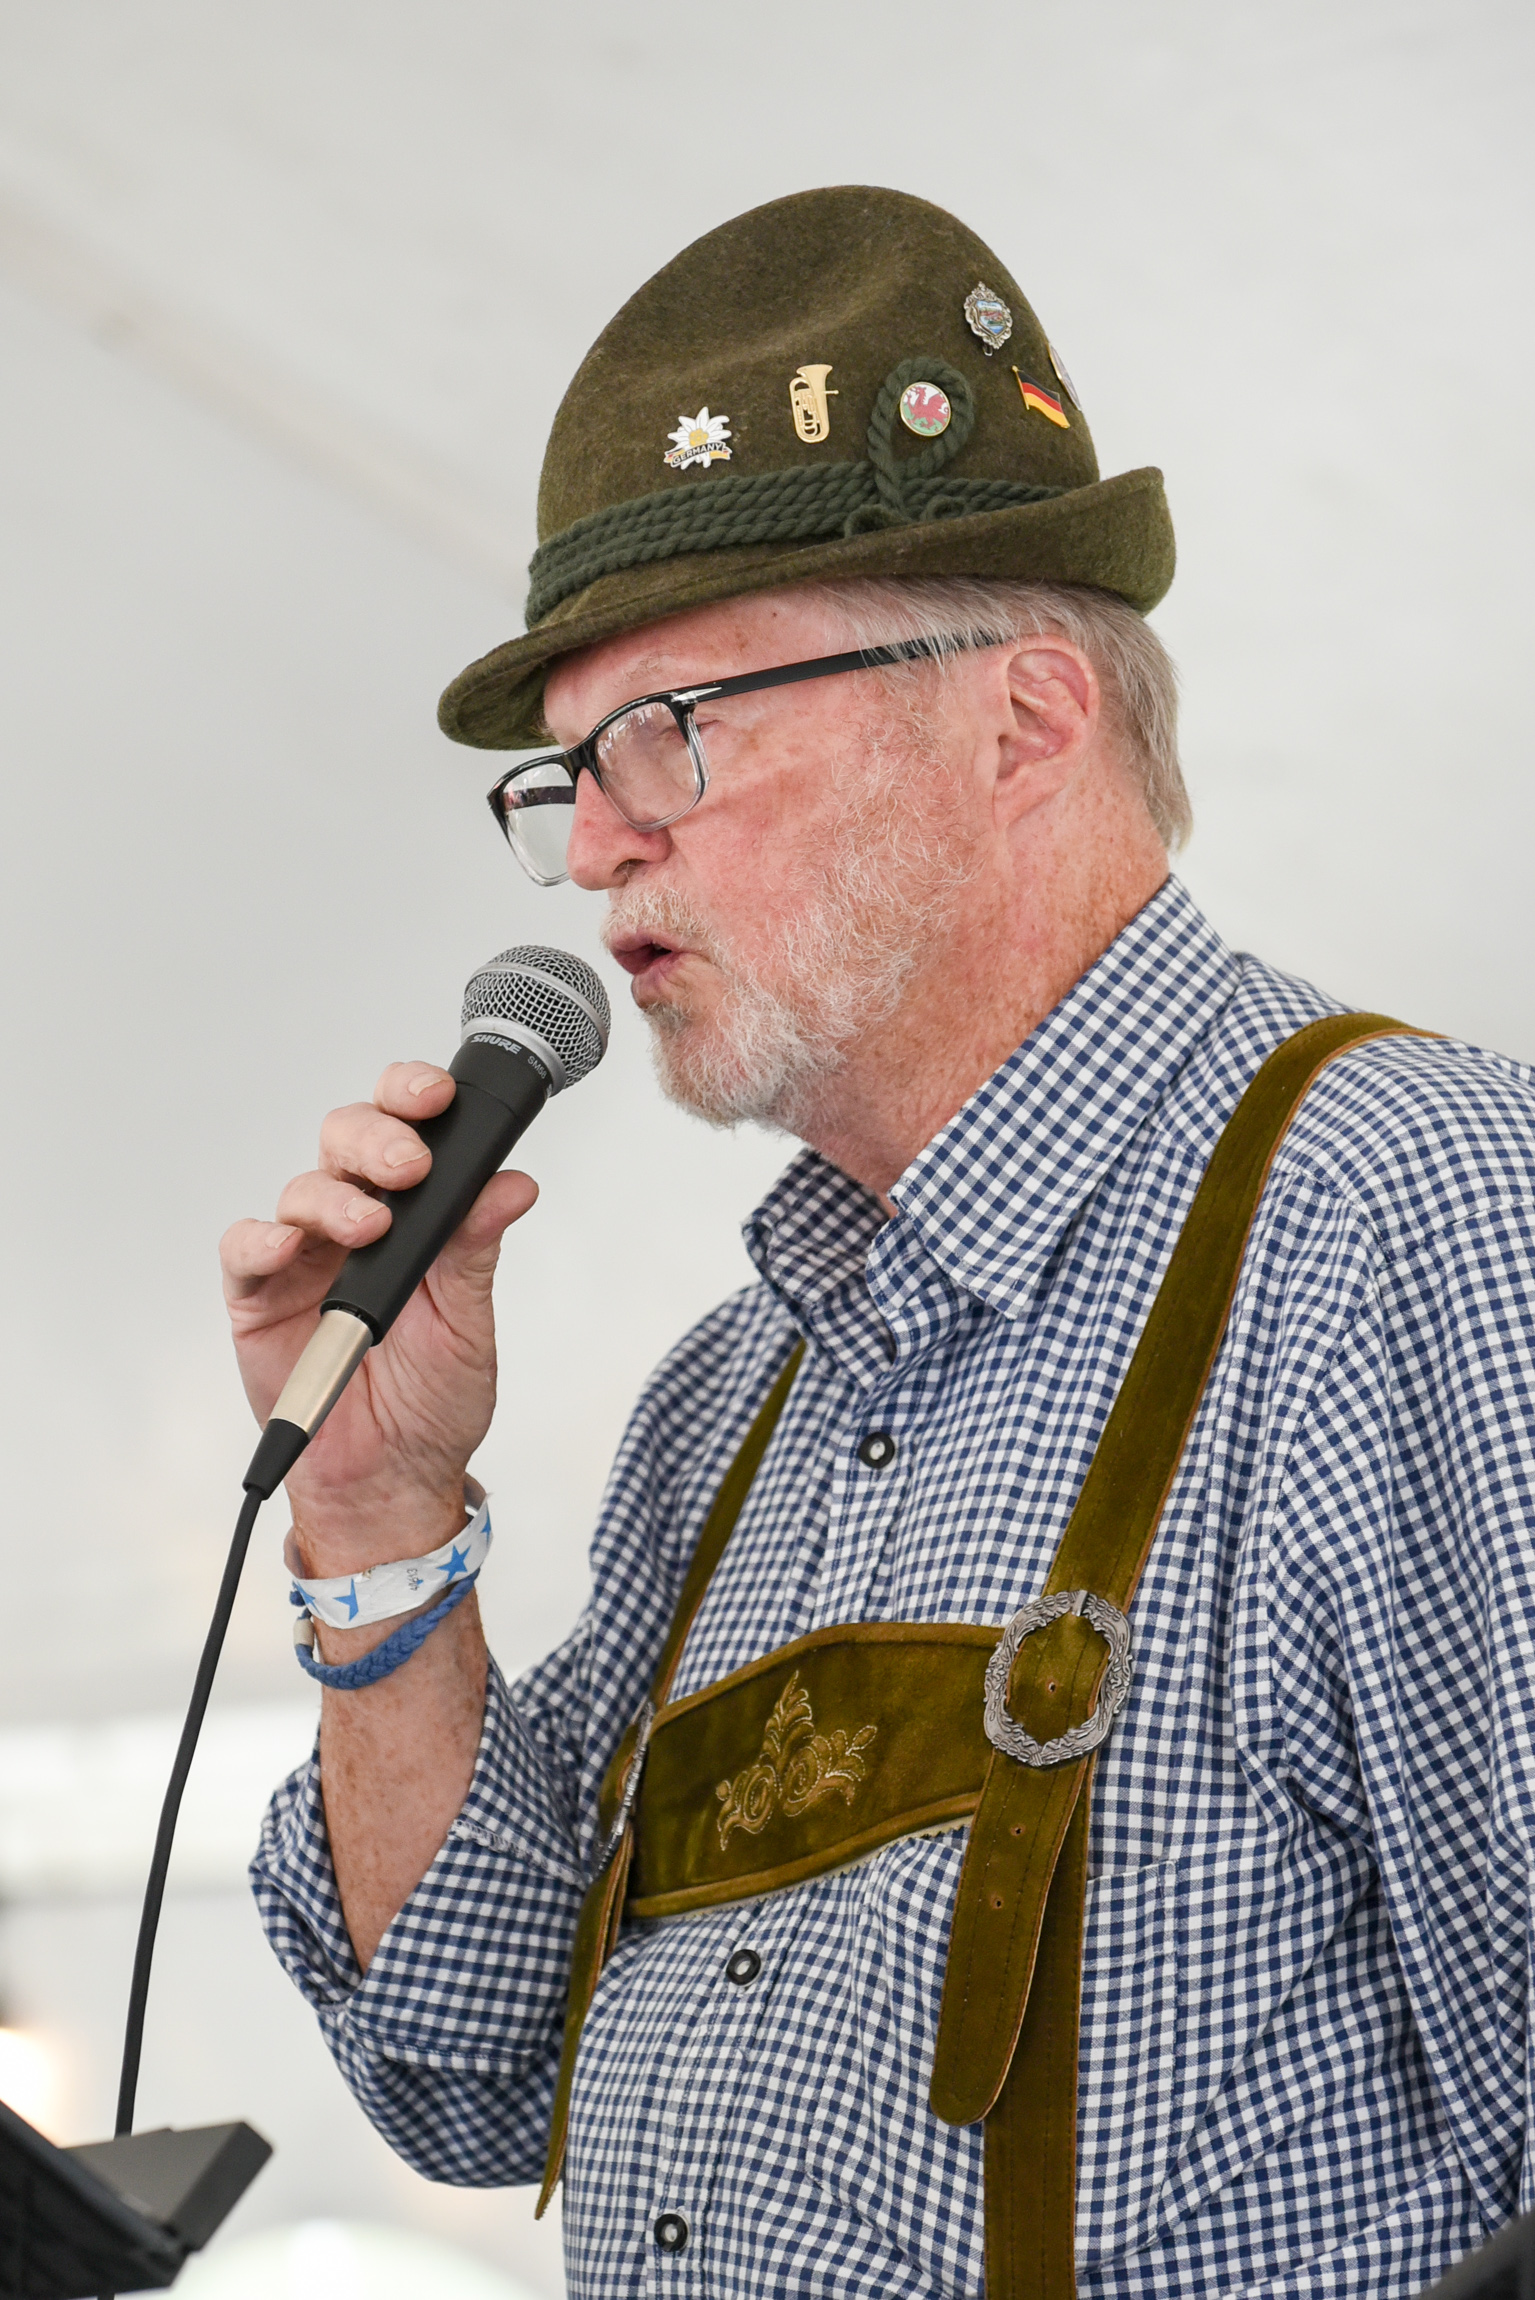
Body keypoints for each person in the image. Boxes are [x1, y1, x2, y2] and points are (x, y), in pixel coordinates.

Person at [229, 188, 1535, 2299]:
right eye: (570, 775)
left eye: (673, 731)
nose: (601, 844)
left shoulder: (1420, 1221)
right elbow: (465, 2059)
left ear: (1026, 720)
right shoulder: (724, 1408)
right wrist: (376, 1519)